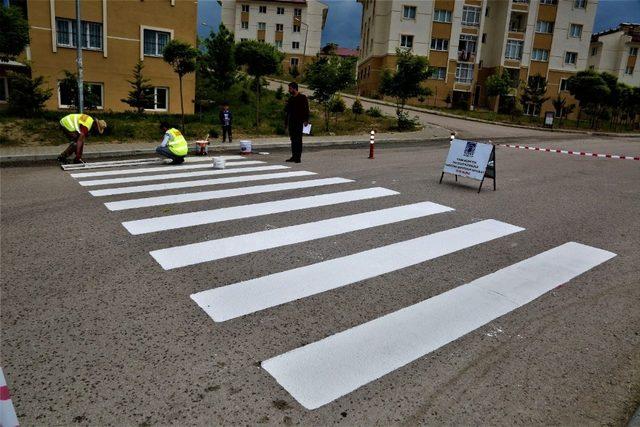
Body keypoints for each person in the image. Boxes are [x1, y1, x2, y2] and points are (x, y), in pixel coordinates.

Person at [284, 82, 309, 163]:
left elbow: (306, 109)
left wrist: (306, 120)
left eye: (290, 88)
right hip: (292, 122)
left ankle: (298, 157)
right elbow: (287, 112)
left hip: (299, 122)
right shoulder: (291, 99)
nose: (289, 90)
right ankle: (293, 156)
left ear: (294, 88)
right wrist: (286, 124)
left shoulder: (302, 97)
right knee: (293, 140)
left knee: (298, 140)